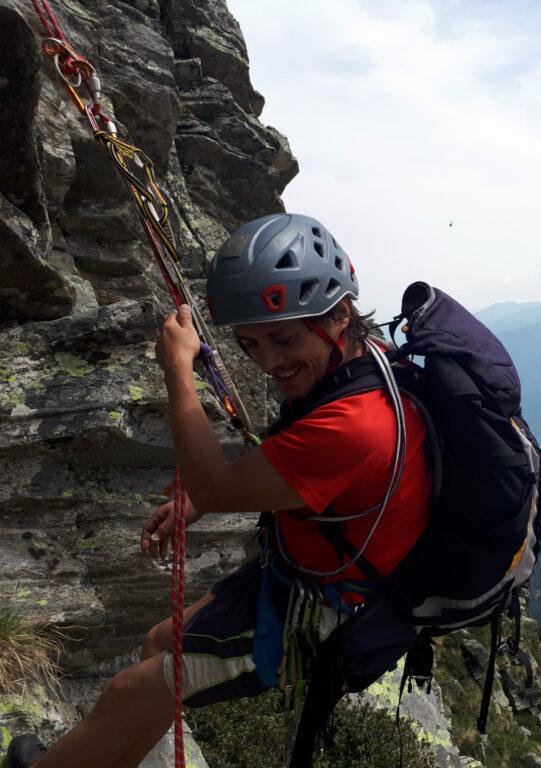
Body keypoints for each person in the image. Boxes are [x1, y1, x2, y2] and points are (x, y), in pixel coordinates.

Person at [7, 213, 433, 768]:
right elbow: (301, 475)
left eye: (282, 338)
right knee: (160, 642)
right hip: (309, 574)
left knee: (127, 692)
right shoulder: (369, 365)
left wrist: (177, 369)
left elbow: (219, 479)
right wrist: (200, 499)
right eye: (250, 343)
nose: (269, 362)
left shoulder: (356, 422)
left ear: (339, 316)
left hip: (324, 614)